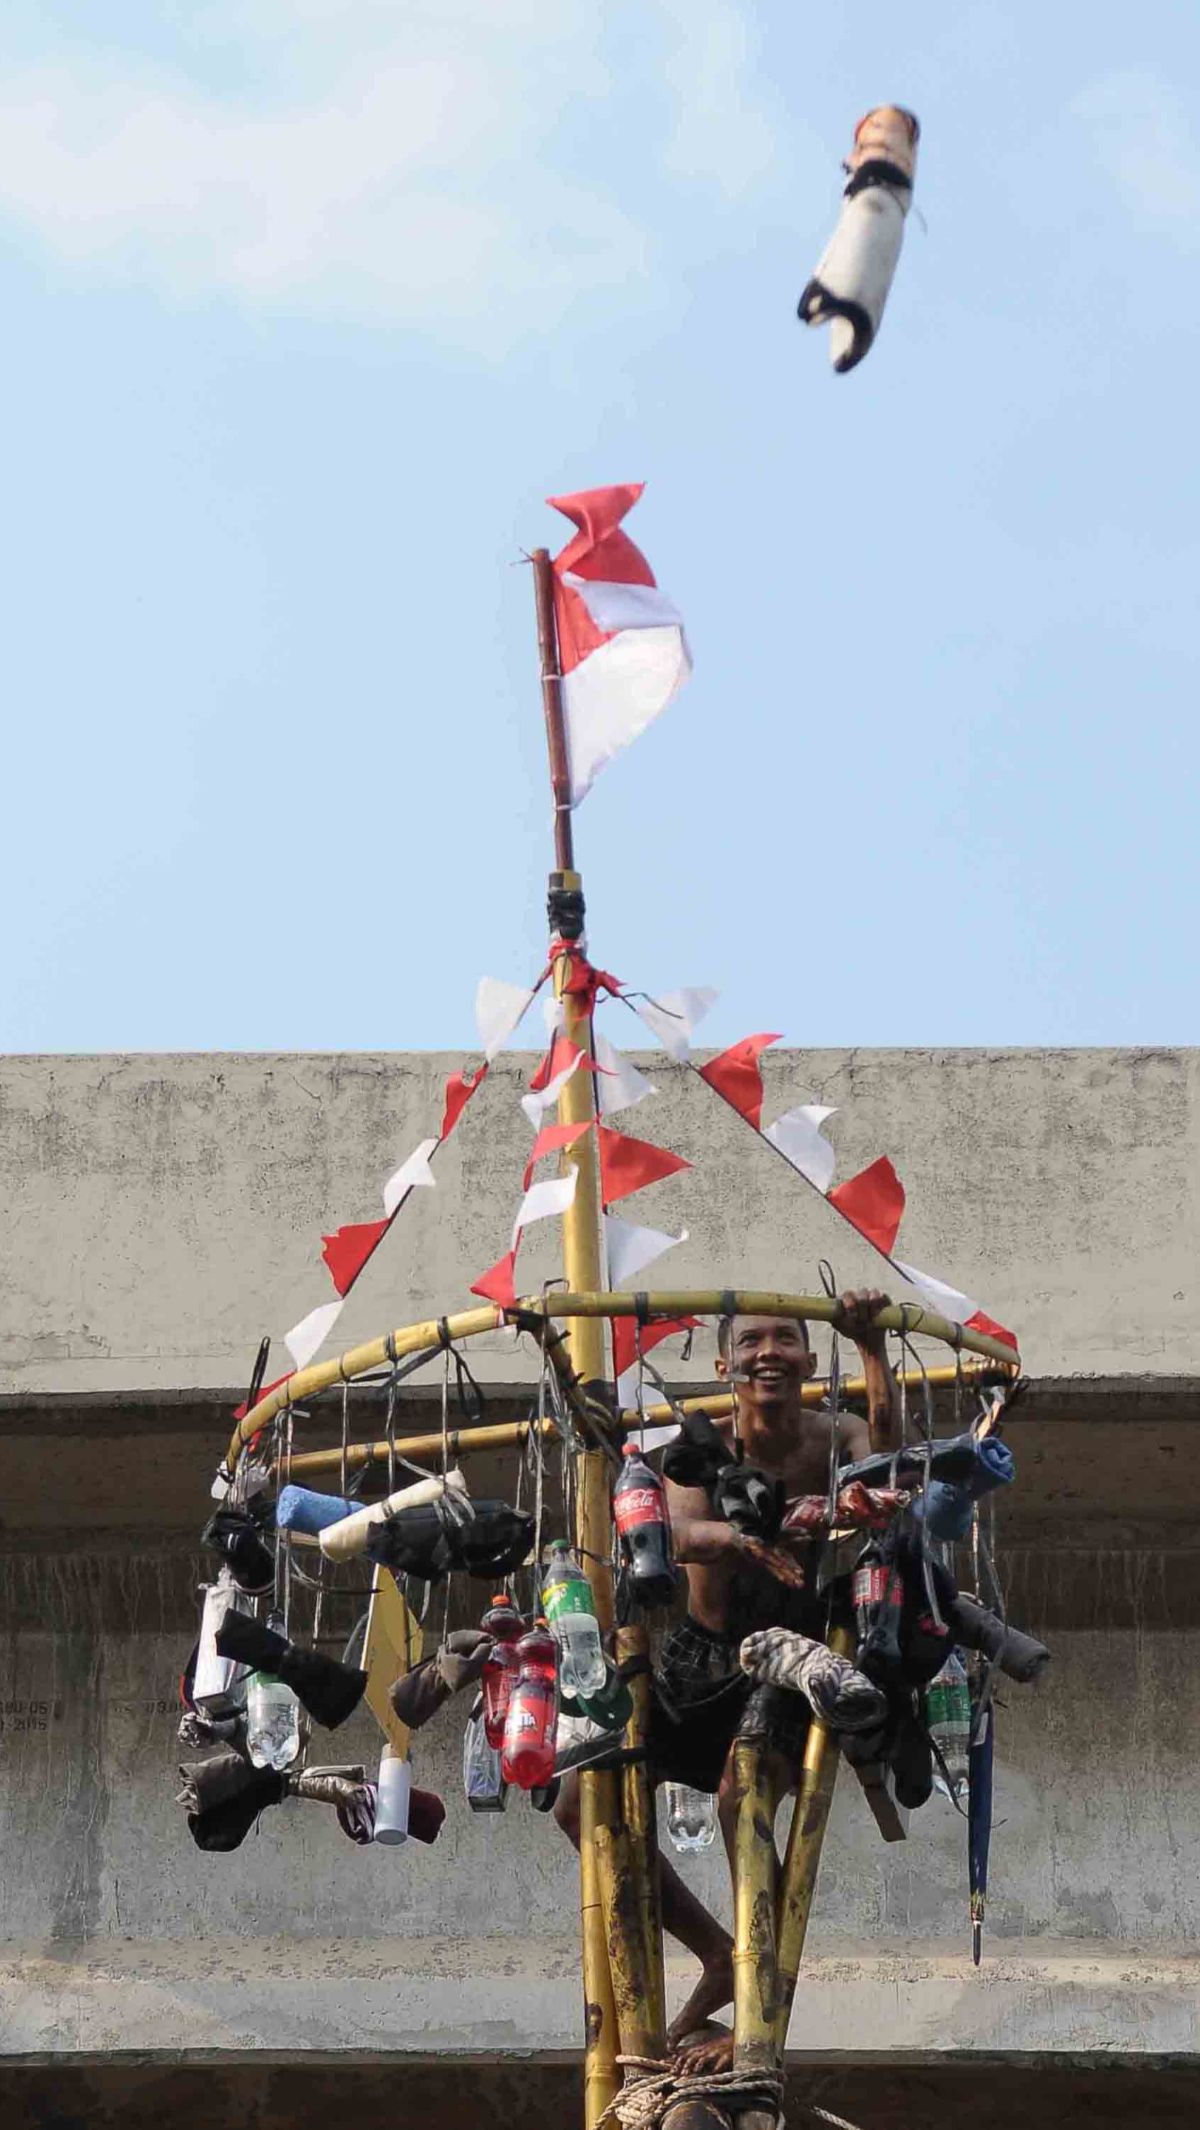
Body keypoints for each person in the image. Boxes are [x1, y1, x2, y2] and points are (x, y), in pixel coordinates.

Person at [553, 1291, 901, 2067]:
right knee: (580, 1802)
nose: (768, 1352)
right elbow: (673, 1533)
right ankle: (715, 1951)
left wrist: (872, 1349)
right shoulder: (698, 1445)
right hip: (698, 1655)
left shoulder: (831, 1434)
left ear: (811, 1361)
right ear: (725, 1364)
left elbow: (885, 1458)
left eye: (785, 1340)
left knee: (744, 1803)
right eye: (751, 1342)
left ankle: (751, 2013)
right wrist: (742, 1538)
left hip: (783, 1664)